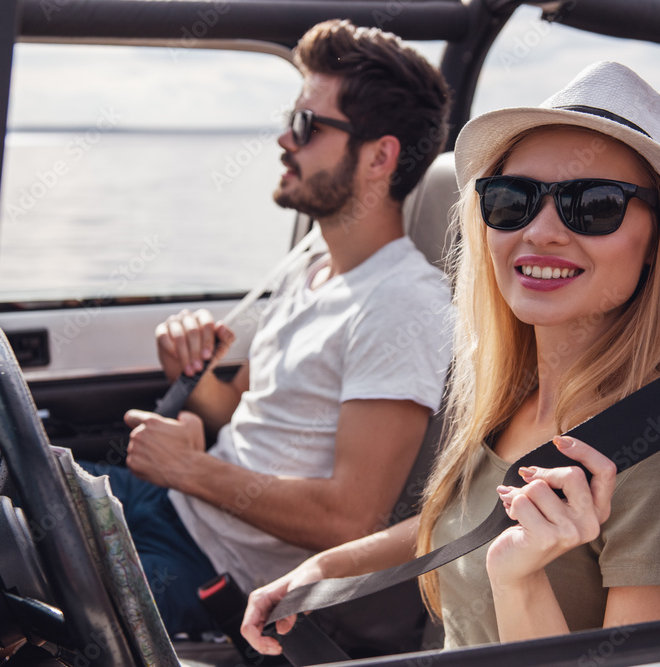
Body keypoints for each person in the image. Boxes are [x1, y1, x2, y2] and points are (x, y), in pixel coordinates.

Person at [241, 61, 660, 652]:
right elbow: (466, 519)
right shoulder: (513, 401)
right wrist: (324, 569)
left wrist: (519, 580)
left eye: (595, 204)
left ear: (658, 238)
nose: (542, 231)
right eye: (513, 200)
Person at [87, 19, 453, 637]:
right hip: (172, 507)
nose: (286, 138)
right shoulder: (310, 266)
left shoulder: (403, 305)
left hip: (213, 571)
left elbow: (350, 521)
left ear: (380, 156)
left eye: (308, 126)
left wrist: (188, 468)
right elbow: (238, 410)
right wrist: (191, 375)